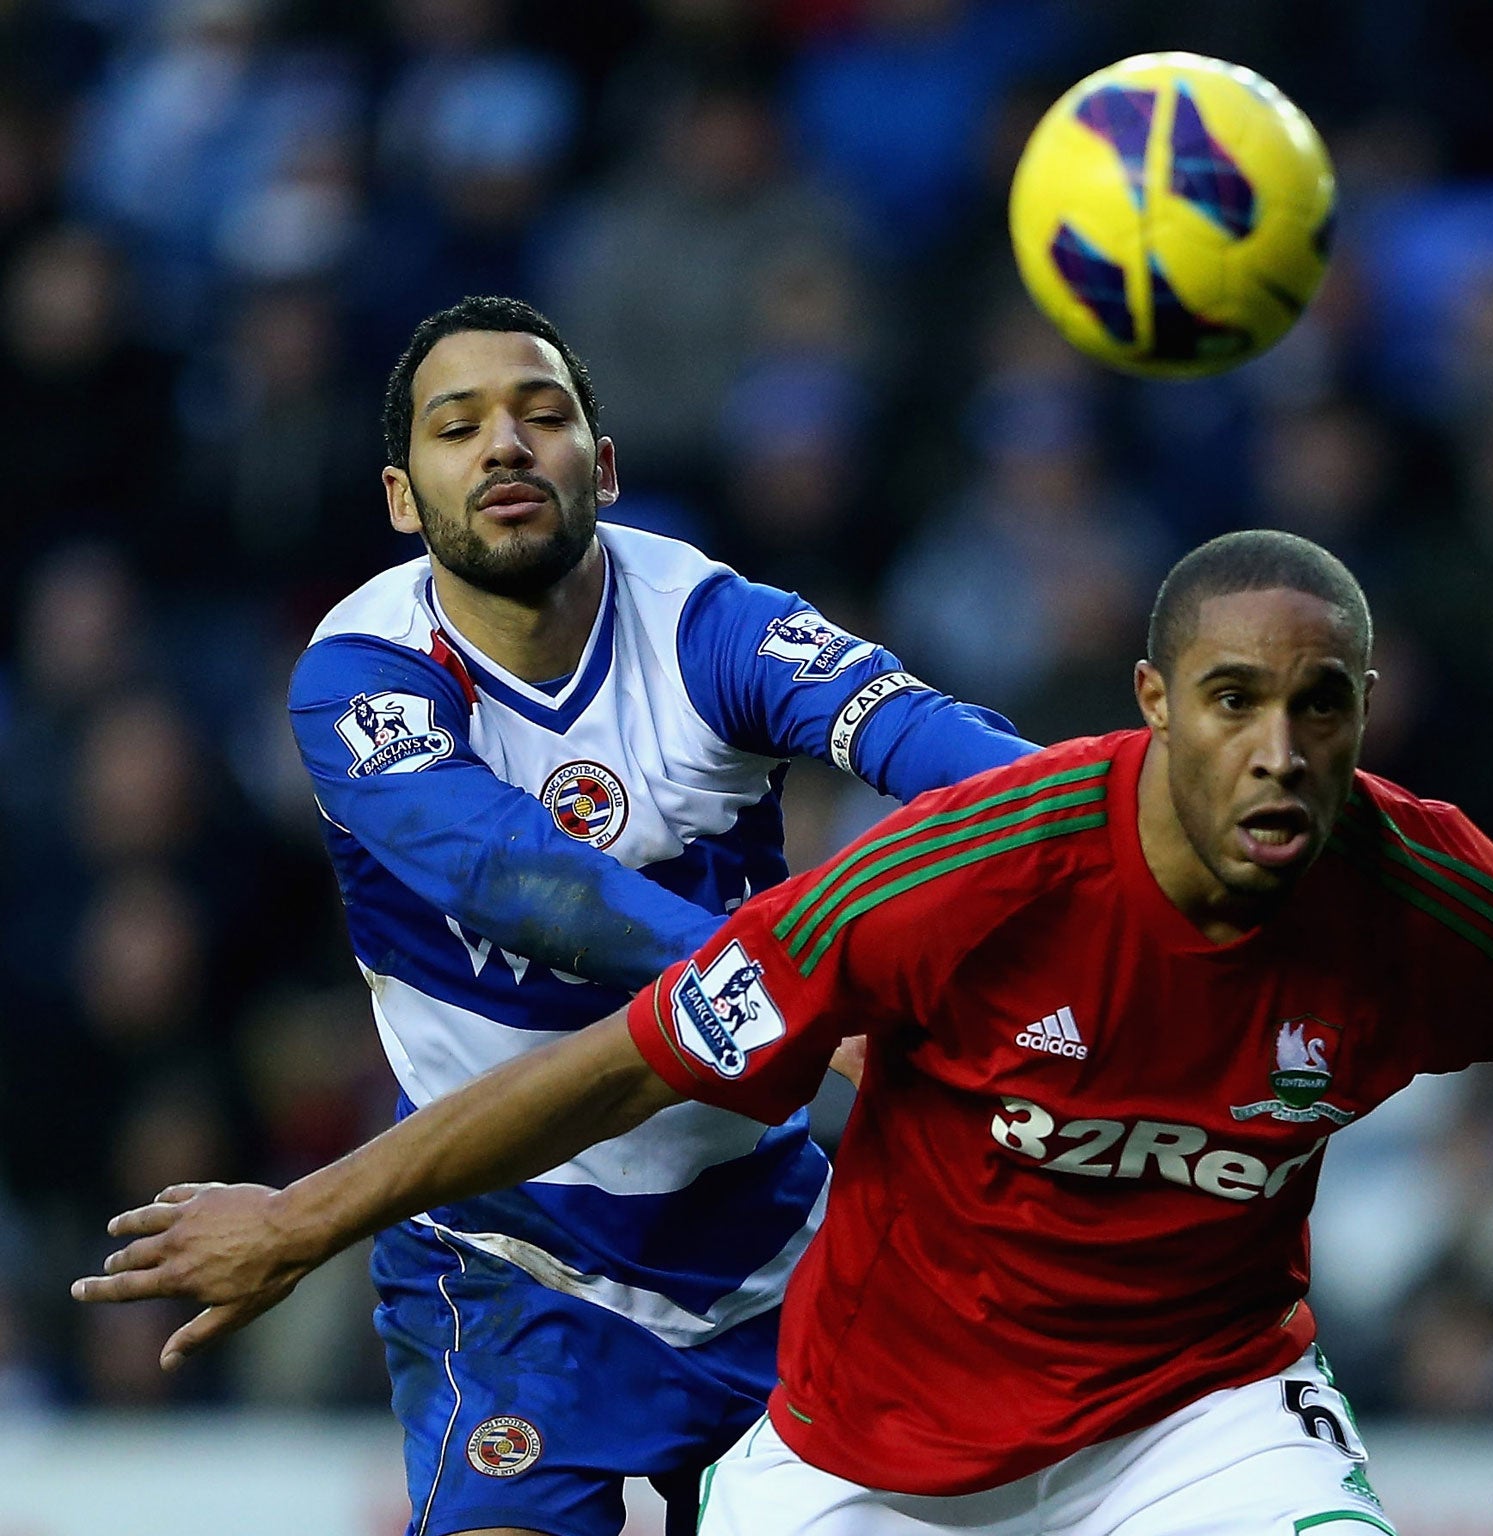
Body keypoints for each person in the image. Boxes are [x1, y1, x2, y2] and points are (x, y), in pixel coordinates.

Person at [77, 531, 1493, 1535]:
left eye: (1323, 707)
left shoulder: (1433, 895)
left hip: (1191, 1426)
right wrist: (313, 1212)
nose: (1282, 750)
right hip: (866, 1457)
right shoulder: (963, 872)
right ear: (1154, 704)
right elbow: (622, 1060)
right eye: (1234, 700)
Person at [257, 295, 1031, 1536]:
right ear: (404, 499)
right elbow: (511, 876)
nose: (506, 446)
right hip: (510, 1259)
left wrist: (1123, 823)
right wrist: (788, 985)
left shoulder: (710, 623)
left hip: (770, 1247)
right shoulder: (362, 672)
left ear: (601, 468)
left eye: (542, 414)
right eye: (458, 429)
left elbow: (952, 756)